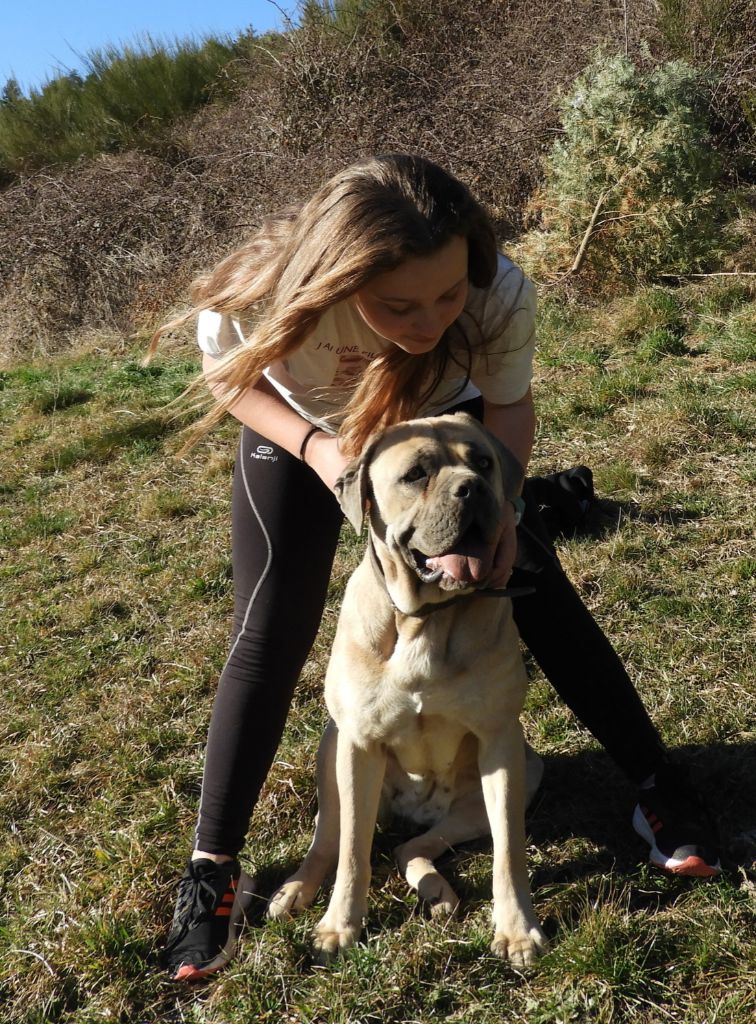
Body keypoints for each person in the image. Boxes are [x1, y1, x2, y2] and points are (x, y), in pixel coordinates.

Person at [153, 154, 720, 982]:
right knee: (270, 621)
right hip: (308, 435)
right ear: (339, 281)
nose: (429, 318)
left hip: (438, 432)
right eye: (398, 304)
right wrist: (318, 450)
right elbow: (228, 380)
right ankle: (212, 871)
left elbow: (509, 406)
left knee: (531, 578)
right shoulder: (257, 301)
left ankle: (658, 787)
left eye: (446, 296)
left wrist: (509, 517)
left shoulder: (498, 293)